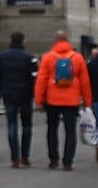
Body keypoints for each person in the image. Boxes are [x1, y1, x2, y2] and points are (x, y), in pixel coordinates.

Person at [34, 30, 91, 170]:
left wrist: (39, 100)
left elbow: (41, 80)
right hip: (71, 100)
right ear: (68, 40)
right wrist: (87, 102)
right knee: (70, 131)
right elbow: (85, 82)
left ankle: (53, 159)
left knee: (52, 129)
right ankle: (68, 161)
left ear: (55, 40)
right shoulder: (77, 58)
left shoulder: (47, 57)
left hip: (52, 99)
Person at [0, 32, 35, 167]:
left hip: (8, 94)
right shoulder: (29, 57)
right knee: (27, 125)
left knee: (12, 125)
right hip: (25, 95)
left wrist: (0, 89)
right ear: (23, 41)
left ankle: (15, 158)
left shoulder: (1, 57)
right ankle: (25, 156)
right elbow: (35, 77)